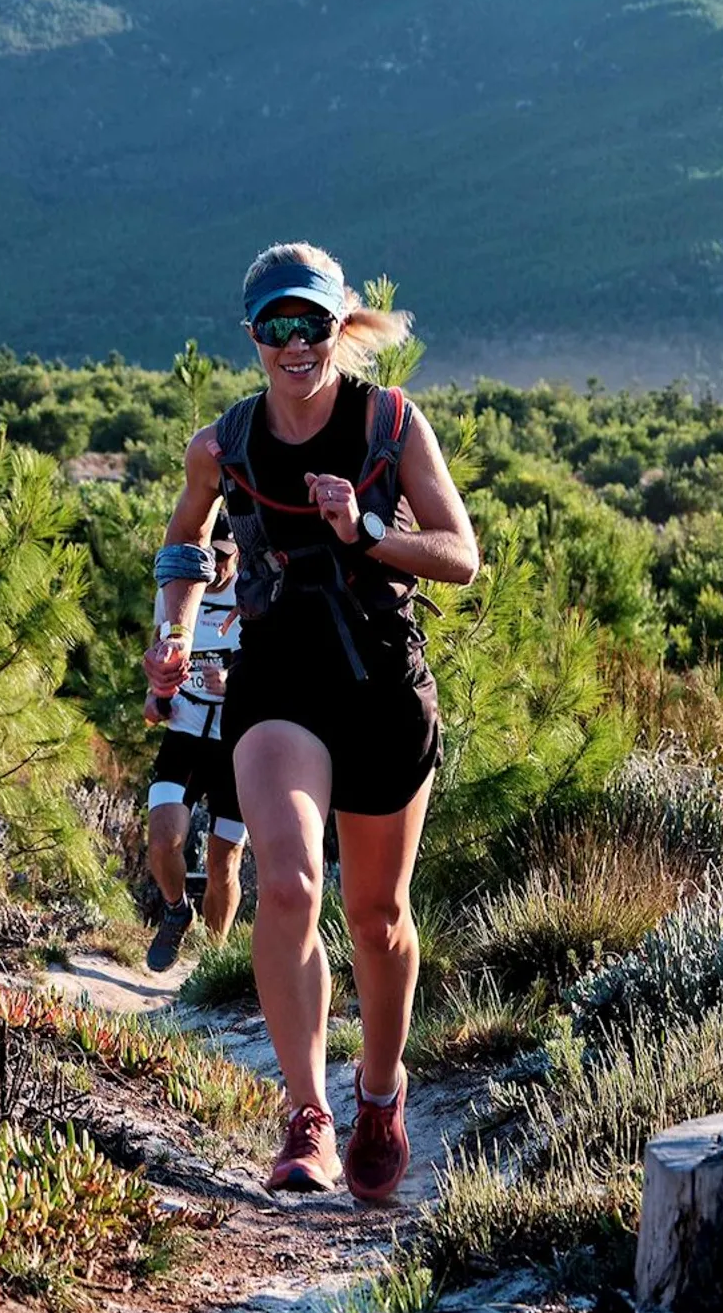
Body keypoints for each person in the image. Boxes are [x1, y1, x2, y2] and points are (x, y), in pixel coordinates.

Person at [142, 242, 478, 1204]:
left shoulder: (391, 424)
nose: (296, 343)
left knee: (377, 916)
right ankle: (307, 1116)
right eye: (276, 327)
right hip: (277, 678)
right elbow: (183, 546)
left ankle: (379, 1093)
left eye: (313, 324)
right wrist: (170, 637)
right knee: (286, 883)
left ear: (342, 327)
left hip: (378, 676)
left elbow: (460, 554)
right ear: (252, 337)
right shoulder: (225, 445)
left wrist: (368, 530)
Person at [141, 515, 247, 973]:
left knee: (223, 863)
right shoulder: (178, 594)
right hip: (184, 732)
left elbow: (282, 674)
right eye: (208, 556)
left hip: (238, 743)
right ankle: (176, 909)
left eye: (223, 556)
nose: (215, 565)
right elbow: (156, 665)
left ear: (239, 554)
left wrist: (234, 685)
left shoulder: (255, 595)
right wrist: (157, 696)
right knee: (163, 838)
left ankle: (213, 960)